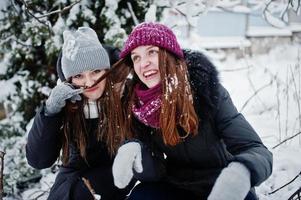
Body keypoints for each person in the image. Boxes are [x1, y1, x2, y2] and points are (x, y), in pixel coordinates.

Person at [110, 22, 273, 200]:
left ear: (169, 55)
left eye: (152, 52)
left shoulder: (207, 92)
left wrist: (242, 172)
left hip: (222, 184)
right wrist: (138, 154)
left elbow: (255, 148)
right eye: (136, 58)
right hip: (178, 185)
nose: (144, 63)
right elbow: (155, 173)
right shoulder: (139, 107)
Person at [26, 27, 134, 200]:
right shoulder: (67, 102)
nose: (89, 82)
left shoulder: (126, 94)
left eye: (96, 71)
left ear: (107, 70)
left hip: (118, 173)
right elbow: (39, 160)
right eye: (79, 75)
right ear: (69, 79)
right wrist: (51, 111)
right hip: (73, 178)